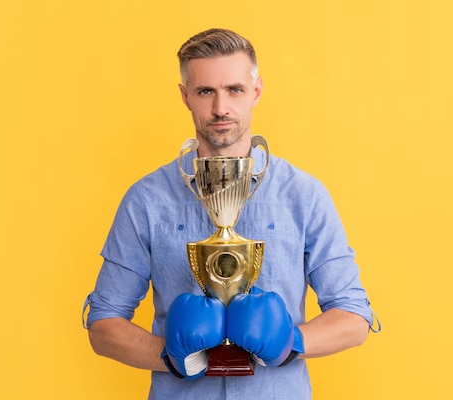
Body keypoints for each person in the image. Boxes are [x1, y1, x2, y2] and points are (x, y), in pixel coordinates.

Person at [82, 28, 380, 399]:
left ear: (256, 91)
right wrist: (172, 357)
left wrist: (291, 341)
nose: (220, 107)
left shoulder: (303, 196)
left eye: (235, 89)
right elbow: (103, 323)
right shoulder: (146, 200)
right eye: (206, 91)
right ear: (185, 96)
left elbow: (354, 317)